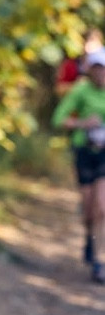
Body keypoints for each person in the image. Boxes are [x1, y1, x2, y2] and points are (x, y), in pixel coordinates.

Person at [52, 48, 105, 284]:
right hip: (84, 151)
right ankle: (89, 238)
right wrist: (84, 123)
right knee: (88, 208)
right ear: (90, 70)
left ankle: (99, 261)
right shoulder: (80, 90)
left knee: (101, 207)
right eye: (97, 68)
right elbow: (58, 119)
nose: (101, 73)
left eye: (104, 69)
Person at [55, 28, 103, 97]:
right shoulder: (72, 65)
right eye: (86, 42)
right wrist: (76, 85)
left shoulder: (102, 62)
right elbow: (59, 89)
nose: (88, 48)